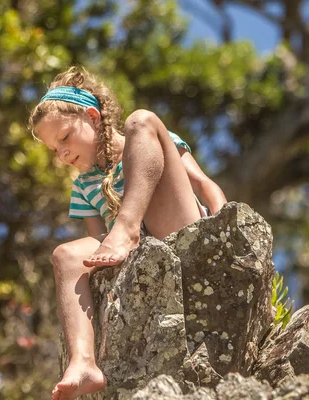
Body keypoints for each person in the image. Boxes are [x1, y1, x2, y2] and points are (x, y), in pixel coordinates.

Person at [28, 67, 227, 400]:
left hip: (179, 228)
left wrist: (226, 225)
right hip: (133, 251)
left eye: (63, 137)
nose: (61, 153)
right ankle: (83, 362)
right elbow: (98, 248)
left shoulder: (145, 137)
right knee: (65, 254)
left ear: (92, 116)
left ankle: (128, 227)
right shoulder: (83, 187)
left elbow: (203, 183)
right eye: (53, 149)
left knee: (142, 120)